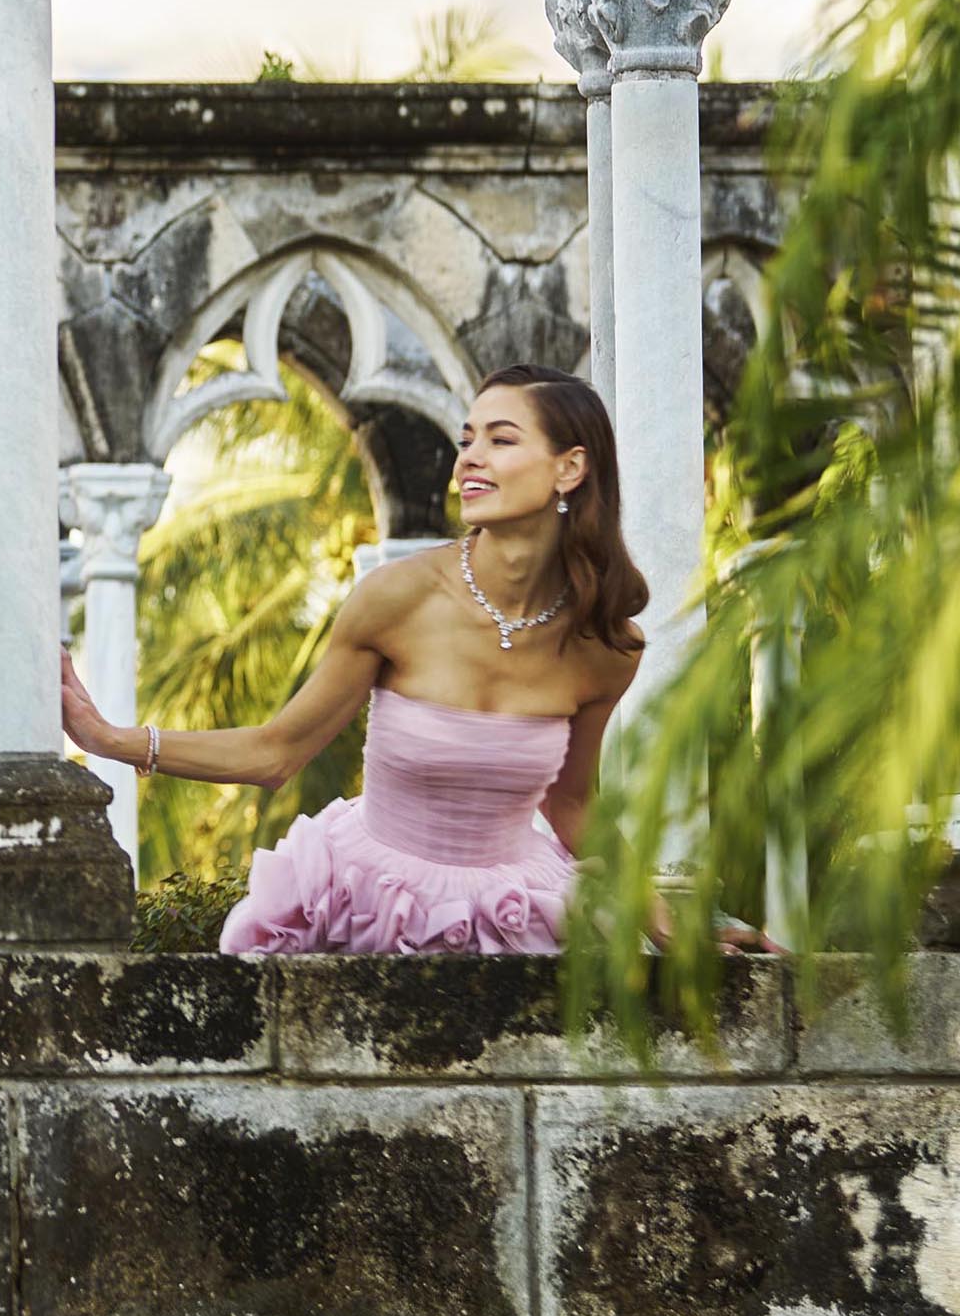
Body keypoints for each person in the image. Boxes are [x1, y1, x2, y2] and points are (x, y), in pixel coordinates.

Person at [59, 366, 645, 958]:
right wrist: (109, 740)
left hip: (516, 915)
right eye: (467, 440)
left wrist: (672, 924)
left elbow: (573, 804)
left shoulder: (606, 647)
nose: (469, 458)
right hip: (366, 905)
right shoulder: (397, 598)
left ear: (570, 468)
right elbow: (275, 752)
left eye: (501, 439)